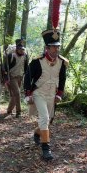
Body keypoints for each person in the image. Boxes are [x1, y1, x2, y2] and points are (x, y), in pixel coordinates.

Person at [24, 29, 68, 161]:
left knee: (48, 120)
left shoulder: (62, 62)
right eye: (54, 47)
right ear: (47, 48)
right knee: (44, 117)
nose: (56, 49)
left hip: (51, 94)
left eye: (57, 47)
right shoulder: (37, 61)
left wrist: (60, 93)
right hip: (39, 93)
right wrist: (28, 93)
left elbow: (62, 78)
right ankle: (46, 149)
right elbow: (28, 77)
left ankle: (37, 132)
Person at [4, 39, 29, 118]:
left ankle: (9, 110)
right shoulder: (11, 56)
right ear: (17, 49)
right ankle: (19, 112)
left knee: (15, 95)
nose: (22, 51)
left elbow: (26, 67)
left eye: (23, 49)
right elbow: (5, 68)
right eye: (20, 49)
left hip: (20, 77)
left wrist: (26, 76)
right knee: (17, 93)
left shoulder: (25, 56)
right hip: (12, 77)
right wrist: (6, 79)